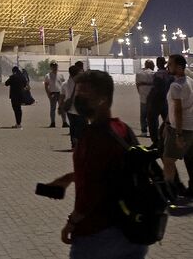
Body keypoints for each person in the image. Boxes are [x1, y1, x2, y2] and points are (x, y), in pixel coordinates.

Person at [47, 70, 148, 258]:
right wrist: (70, 177)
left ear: (102, 99)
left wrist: (72, 222)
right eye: (77, 93)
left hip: (99, 233)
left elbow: (91, 192)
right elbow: (113, 171)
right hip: (132, 230)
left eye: (84, 94)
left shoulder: (92, 137)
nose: (78, 99)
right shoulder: (122, 128)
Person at [161, 54, 193, 196]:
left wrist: (178, 134)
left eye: (171, 64)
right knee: (190, 159)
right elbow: (173, 107)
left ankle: (170, 191)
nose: (168, 66)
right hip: (190, 126)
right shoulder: (190, 81)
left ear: (179, 67)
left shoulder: (176, 85)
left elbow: (178, 110)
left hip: (181, 128)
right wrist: (167, 121)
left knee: (167, 160)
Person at [147, 57, 172, 147]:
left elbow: (156, 89)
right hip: (166, 101)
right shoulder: (170, 75)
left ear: (157, 64)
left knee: (152, 121)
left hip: (156, 102)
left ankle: (156, 141)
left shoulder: (158, 75)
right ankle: (168, 139)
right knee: (168, 121)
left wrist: (149, 99)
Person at [135, 60, 155, 137]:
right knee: (152, 116)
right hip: (152, 98)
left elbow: (137, 85)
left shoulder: (139, 73)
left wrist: (140, 92)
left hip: (143, 97)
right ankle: (153, 131)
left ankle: (144, 132)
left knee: (143, 116)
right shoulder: (153, 74)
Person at [44, 62, 67, 128]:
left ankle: (64, 122)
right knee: (52, 108)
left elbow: (63, 84)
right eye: (53, 66)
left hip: (60, 93)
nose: (55, 67)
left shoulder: (61, 75)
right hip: (53, 93)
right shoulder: (48, 75)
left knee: (62, 108)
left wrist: (64, 93)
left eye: (56, 66)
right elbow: (46, 86)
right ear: (51, 67)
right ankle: (53, 122)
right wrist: (48, 94)